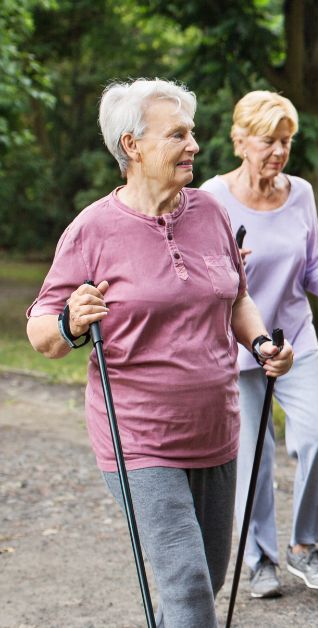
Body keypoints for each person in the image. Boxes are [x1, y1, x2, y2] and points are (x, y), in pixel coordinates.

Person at [26, 78, 294, 626]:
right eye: (178, 135)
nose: (194, 145)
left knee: (206, 580)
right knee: (188, 583)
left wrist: (263, 343)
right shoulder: (93, 230)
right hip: (139, 437)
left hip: (217, 429)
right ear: (133, 146)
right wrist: (70, 321)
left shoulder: (211, 213)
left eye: (192, 133)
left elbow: (237, 297)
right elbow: (41, 332)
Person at [199, 91, 318, 598]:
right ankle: (260, 559)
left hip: (294, 339)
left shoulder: (301, 194)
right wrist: (225, 268)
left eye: (286, 141)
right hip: (237, 347)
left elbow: (312, 265)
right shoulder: (212, 197)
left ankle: (303, 546)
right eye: (269, 140)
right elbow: (196, 275)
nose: (278, 151)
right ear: (240, 139)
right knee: (253, 458)